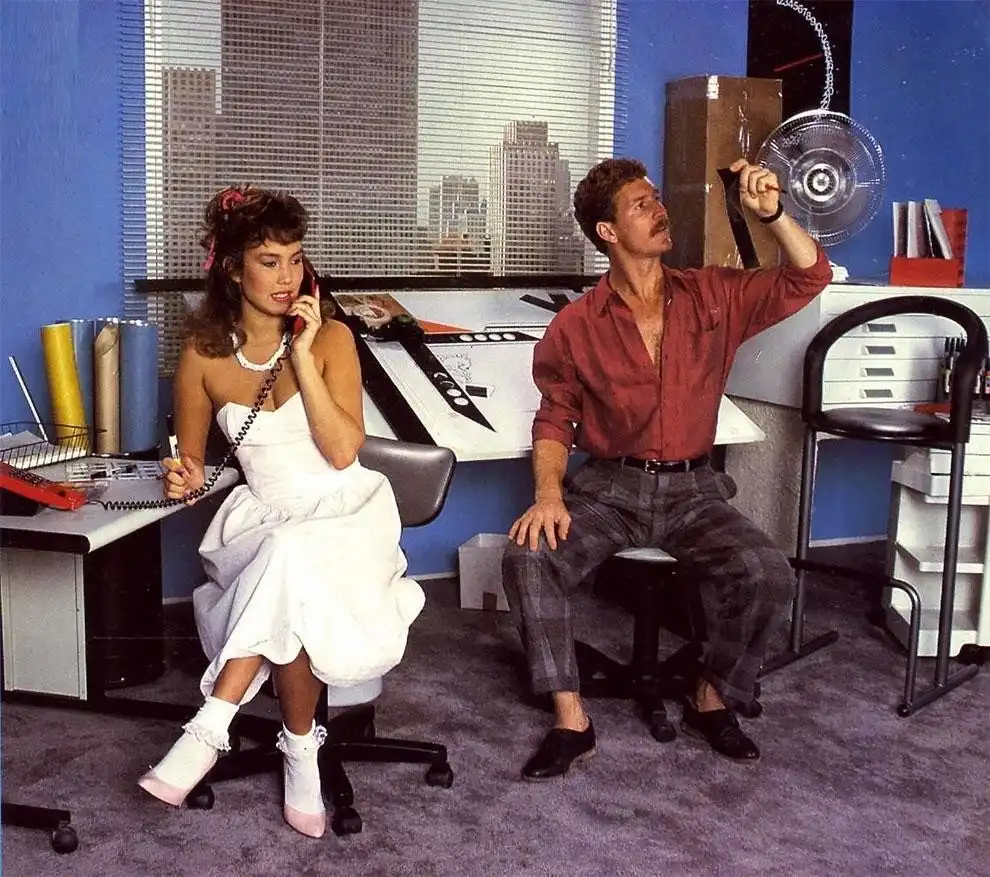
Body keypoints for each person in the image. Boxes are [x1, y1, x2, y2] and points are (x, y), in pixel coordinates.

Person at [502, 157, 833, 781]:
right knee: (528, 556)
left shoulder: (714, 293)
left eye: (657, 198)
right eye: (641, 204)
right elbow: (554, 420)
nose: (660, 210)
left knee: (766, 573)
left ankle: (710, 697)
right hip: (611, 488)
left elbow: (809, 275)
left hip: (694, 491)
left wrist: (772, 214)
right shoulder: (575, 326)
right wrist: (549, 495)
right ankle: (571, 719)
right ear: (608, 232)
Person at [137, 185, 424, 838]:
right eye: (269, 261)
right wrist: (181, 475)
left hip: (347, 516)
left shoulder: (333, 340)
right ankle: (300, 749)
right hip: (265, 519)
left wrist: (302, 354)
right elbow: (190, 466)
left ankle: (210, 728)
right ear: (233, 269)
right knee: (288, 563)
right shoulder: (202, 355)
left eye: (295, 259)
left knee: (293, 557)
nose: (287, 275)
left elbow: (343, 449)